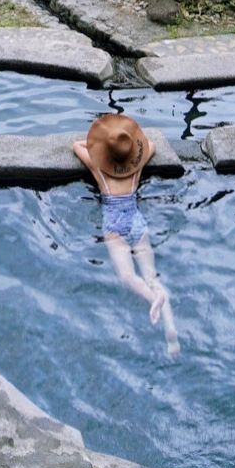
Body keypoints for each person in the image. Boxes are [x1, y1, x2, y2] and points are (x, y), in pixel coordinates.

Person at [73, 114, 180, 356]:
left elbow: (77, 146)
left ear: (104, 157)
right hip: (136, 221)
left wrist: (99, 147)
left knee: (128, 277)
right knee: (153, 277)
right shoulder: (136, 170)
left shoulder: (98, 169)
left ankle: (151, 298)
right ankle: (171, 332)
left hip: (114, 225)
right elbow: (150, 145)